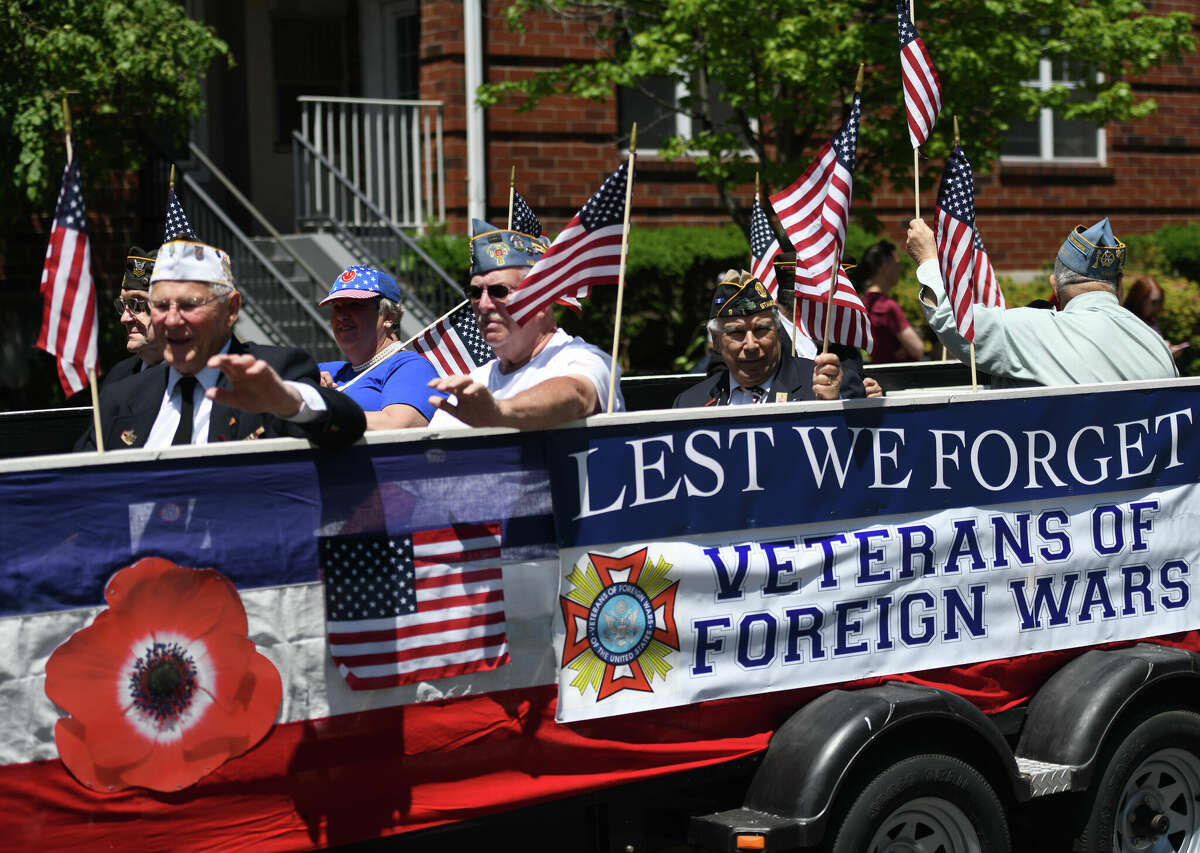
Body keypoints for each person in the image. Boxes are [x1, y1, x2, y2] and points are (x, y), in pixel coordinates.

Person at [76, 239, 365, 451]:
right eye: (161, 306)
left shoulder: (272, 374)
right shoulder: (122, 395)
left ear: (230, 309)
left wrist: (287, 401)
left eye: (190, 304)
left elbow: (349, 423)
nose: (173, 320)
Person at [906, 217, 1177, 386]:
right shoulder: (1155, 343)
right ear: (1119, 286)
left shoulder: (1040, 331)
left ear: (1054, 288)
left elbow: (956, 322)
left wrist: (929, 259)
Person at [427, 219, 624, 428]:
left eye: (499, 291)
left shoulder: (584, 359)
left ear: (540, 300)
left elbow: (577, 395)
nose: (484, 305)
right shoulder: (474, 382)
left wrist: (501, 412)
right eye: (475, 293)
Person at [673, 270, 851, 408]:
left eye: (761, 329)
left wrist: (833, 406)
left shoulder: (826, 384)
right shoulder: (690, 403)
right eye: (737, 332)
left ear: (779, 332)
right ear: (717, 341)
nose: (751, 345)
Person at [317, 265, 442, 429]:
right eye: (337, 307)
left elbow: (397, 426)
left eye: (354, 305)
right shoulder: (326, 371)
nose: (341, 315)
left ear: (389, 317)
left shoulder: (411, 367)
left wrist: (320, 408)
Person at [858, 241, 924, 363]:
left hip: (877, 373)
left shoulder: (863, 302)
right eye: (897, 264)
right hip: (898, 376)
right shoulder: (887, 307)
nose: (899, 269)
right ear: (884, 267)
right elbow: (917, 349)